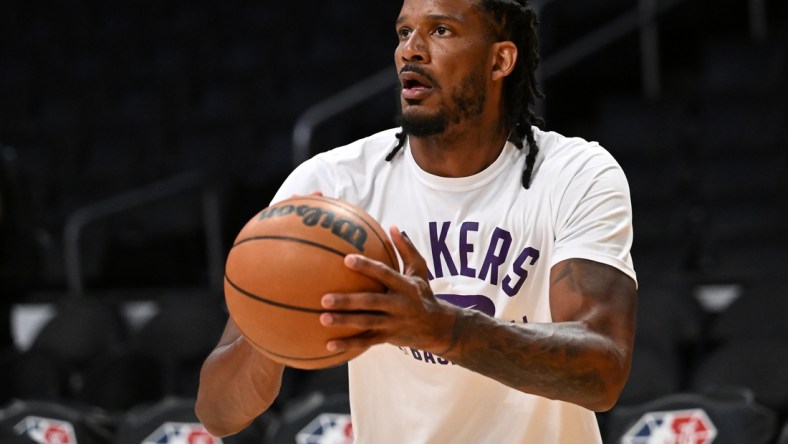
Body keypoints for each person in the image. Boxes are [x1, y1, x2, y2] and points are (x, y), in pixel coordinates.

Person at [196, 0, 638, 442]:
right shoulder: (331, 188)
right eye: (403, 32)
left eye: (440, 30)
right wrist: (276, 317)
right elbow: (218, 414)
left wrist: (443, 329)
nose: (412, 50)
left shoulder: (575, 173)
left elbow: (603, 372)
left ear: (500, 59)